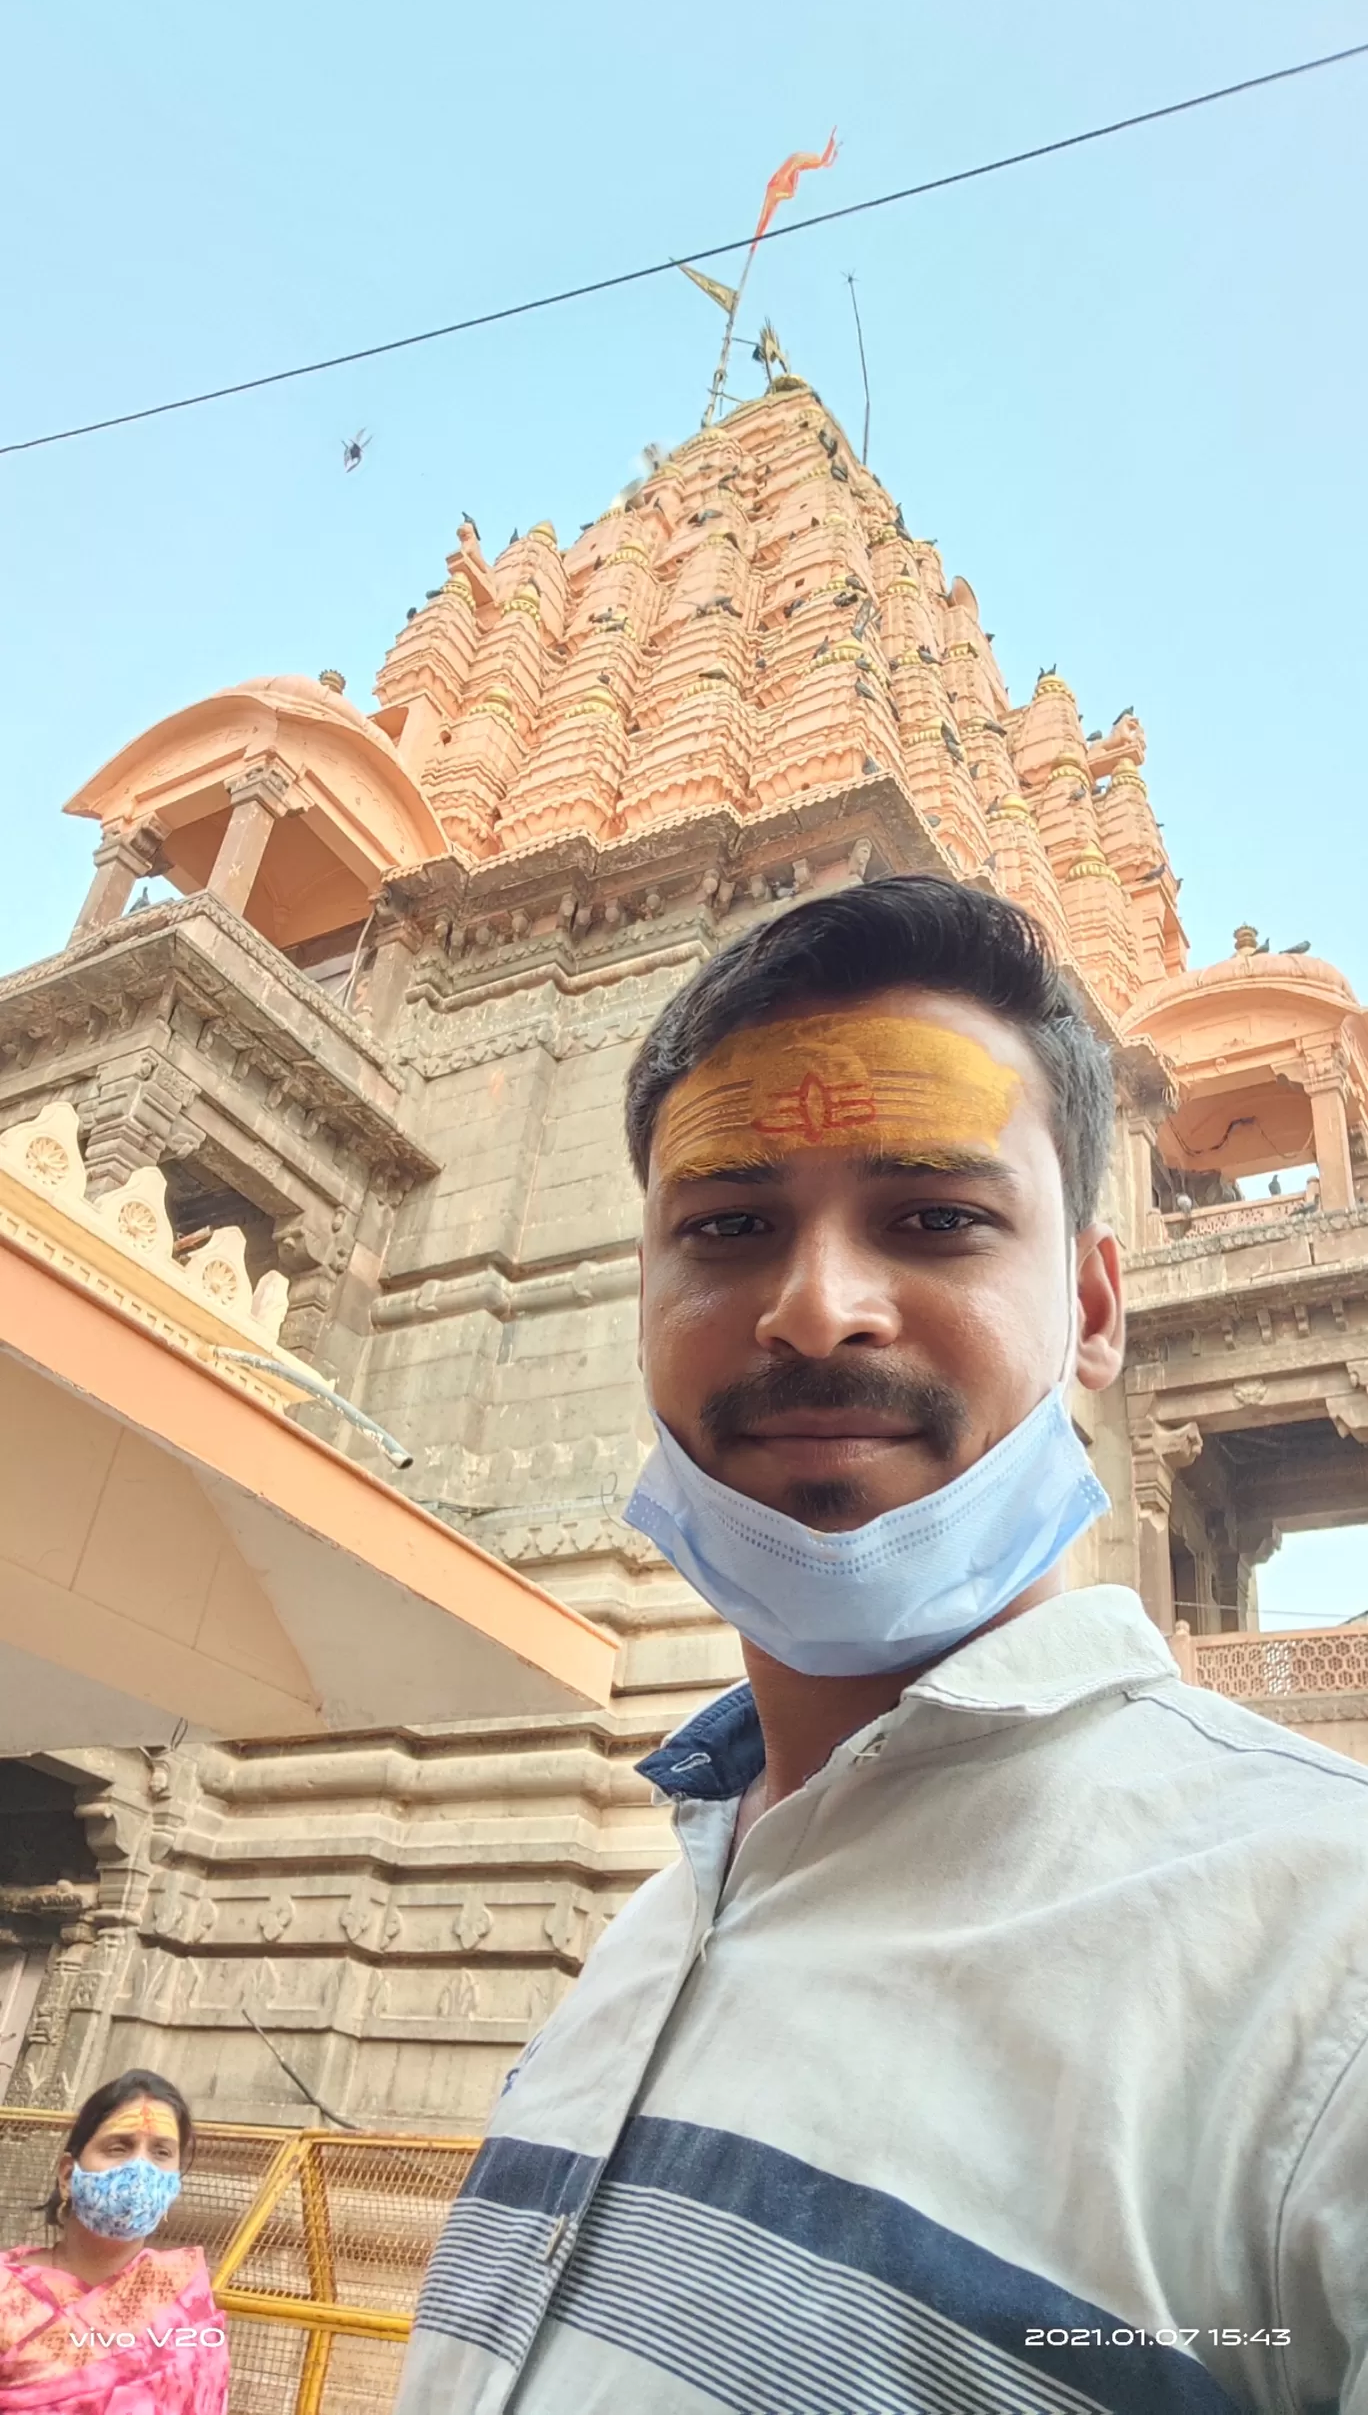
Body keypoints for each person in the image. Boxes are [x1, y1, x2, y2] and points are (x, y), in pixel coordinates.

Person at [397, 878, 1368, 2415]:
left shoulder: (1326, 1961)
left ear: (1095, 1304)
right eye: (727, 1227)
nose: (816, 1306)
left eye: (935, 1217)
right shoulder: (649, 1934)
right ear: (643, 1293)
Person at [0, 2068, 229, 2412]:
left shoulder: (180, 2294)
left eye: (161, 2153)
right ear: (67, 2175)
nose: (140, 2170)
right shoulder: (8, 2293)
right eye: (119, 2147)